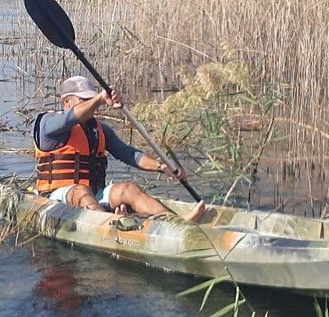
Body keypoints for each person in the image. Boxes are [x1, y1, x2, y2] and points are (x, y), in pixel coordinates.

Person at [32, 75, 205, 222]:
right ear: (66, 102)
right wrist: (100, 98)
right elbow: (69, 119)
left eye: (92, 98)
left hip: (94, 194)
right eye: (85, 100)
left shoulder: (99, 130)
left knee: (128, 189)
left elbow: (129, 154)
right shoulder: (48, 124)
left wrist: (162, 167)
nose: (92, 105)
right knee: (80, 191)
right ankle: (109, 225)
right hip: (53, 199)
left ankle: (174, 222)